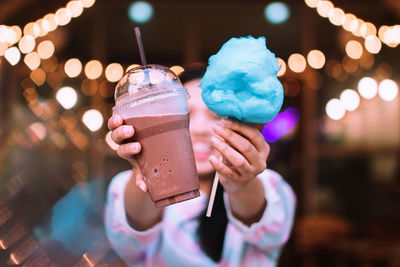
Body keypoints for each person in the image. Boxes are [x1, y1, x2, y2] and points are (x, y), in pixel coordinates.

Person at [104, 67, 296, 266]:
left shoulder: (268, 184)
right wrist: (145, 164)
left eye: (215, 115)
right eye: (185, 113)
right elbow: (129, 242)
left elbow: (268, 230)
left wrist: (241, 183)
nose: (200, 129)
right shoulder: (127, 187)